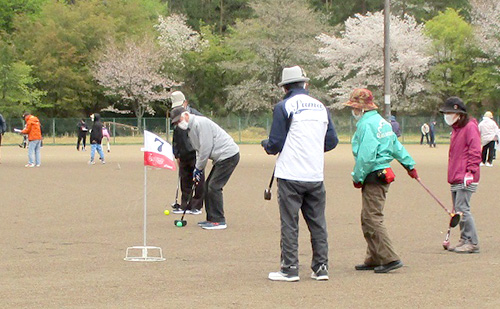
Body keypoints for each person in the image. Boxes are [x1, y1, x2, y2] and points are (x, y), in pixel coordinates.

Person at [261, 65, 339, 282]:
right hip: (315, 174)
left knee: (289, 222)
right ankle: (321, 267)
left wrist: (266, 145)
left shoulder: (284, 106)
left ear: (285, 87)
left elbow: (275, 143)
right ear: (305, 84)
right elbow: (331, 141)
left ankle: (290, 268)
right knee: (317, 222)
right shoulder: (321, 107)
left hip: (290, 174)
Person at [344, 88, 418, 274]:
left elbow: (366, 155)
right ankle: (374, 256)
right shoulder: (383, 123)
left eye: (354, 108)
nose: (353, 111)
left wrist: (357, 176)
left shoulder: (365, 125)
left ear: (361, 109)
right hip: (383, 173)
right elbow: (396, 146)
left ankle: (389, 257)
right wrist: (409, 165)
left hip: (373, 174)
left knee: (372, 218)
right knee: (369, 216)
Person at [170, 106, 239, 230]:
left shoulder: (201, 123)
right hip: (220, 157)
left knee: (214, 186)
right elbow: (198, 149)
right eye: (175, 123)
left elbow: (206, 148)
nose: (178, 124)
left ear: (186, 115)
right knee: (208, 186)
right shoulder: (190, 130)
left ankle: (219, 220)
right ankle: (211, 219)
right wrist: (198, 169)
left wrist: (199, 168)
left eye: (178, 120)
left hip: (228, 155)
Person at [439, 97, 481, 253]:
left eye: (450, 112)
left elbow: (475, 150)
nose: (447, 116)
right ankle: (464, 239)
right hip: (457, 176)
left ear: (460, 114)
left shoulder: (470, 127)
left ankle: (472, 241)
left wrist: (470, 171)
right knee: (458, 210)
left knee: (463, 209)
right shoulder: (456, 130)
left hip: (466, 176)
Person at [170, 91, 205, 215]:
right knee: (184, 180)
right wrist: (176, 154)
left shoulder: (196, 116)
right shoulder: (175, 115)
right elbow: (175, 137)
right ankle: (185, 205)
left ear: (185, 103)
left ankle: (196, 206)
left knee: (198, 180)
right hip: (183, 154)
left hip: (195, 153)